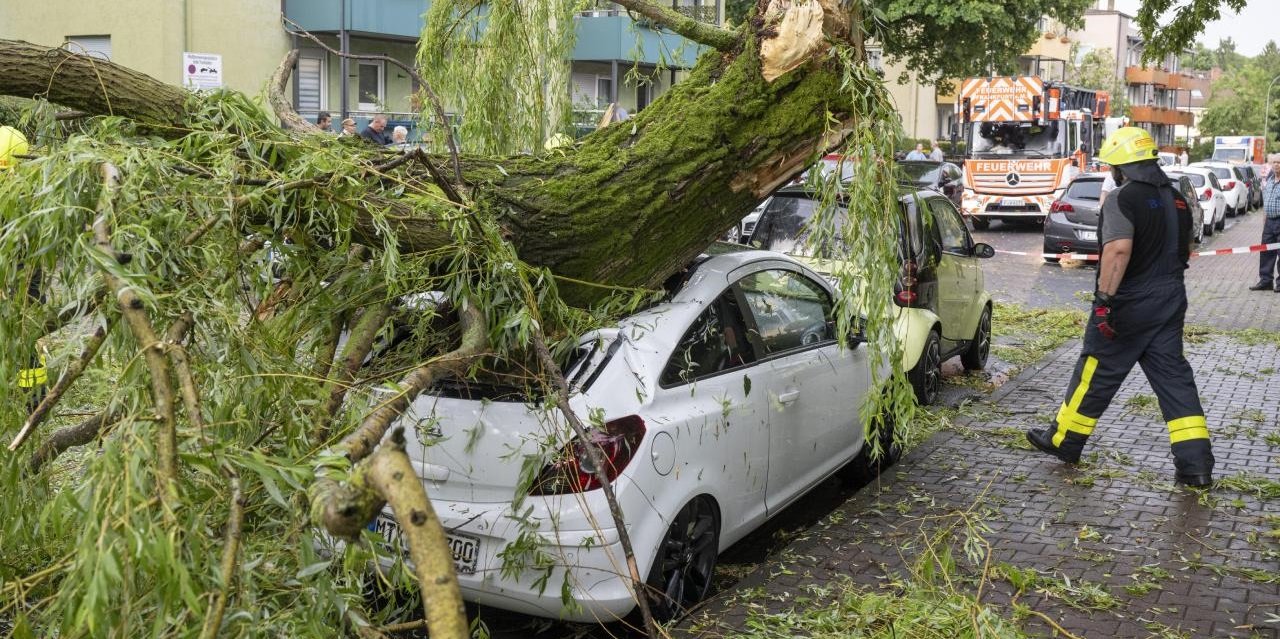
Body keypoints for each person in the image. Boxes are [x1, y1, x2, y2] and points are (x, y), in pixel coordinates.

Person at [1025, 127, 1213, 488]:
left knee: (1095, 370)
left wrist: (1104, 303)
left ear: (1122, 166)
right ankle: (1196, 466)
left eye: (1113, 165)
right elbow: (1186, 248)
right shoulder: (1176, 199)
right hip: (1171, 299)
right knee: (1175, 381)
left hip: (1128, 304)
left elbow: (1118, 251)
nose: (1112, 171)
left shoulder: (1122, 199)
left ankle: (1064, 441)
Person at [0, 125, 47, 408]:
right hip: (23, 271)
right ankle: (32, 396)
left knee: (24, 326)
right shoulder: (33, 185)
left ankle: (34, 397)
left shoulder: (27, 195)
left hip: (23, 272)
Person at [1249, 153, 1280, 291]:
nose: (1276, 165)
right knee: (1266, 251)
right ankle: (1266, 281)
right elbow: (1266, 202)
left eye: (1279, 162)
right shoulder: (1270, 179)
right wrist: (1264, 221)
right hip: (1269, 222)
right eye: (1274, 162)